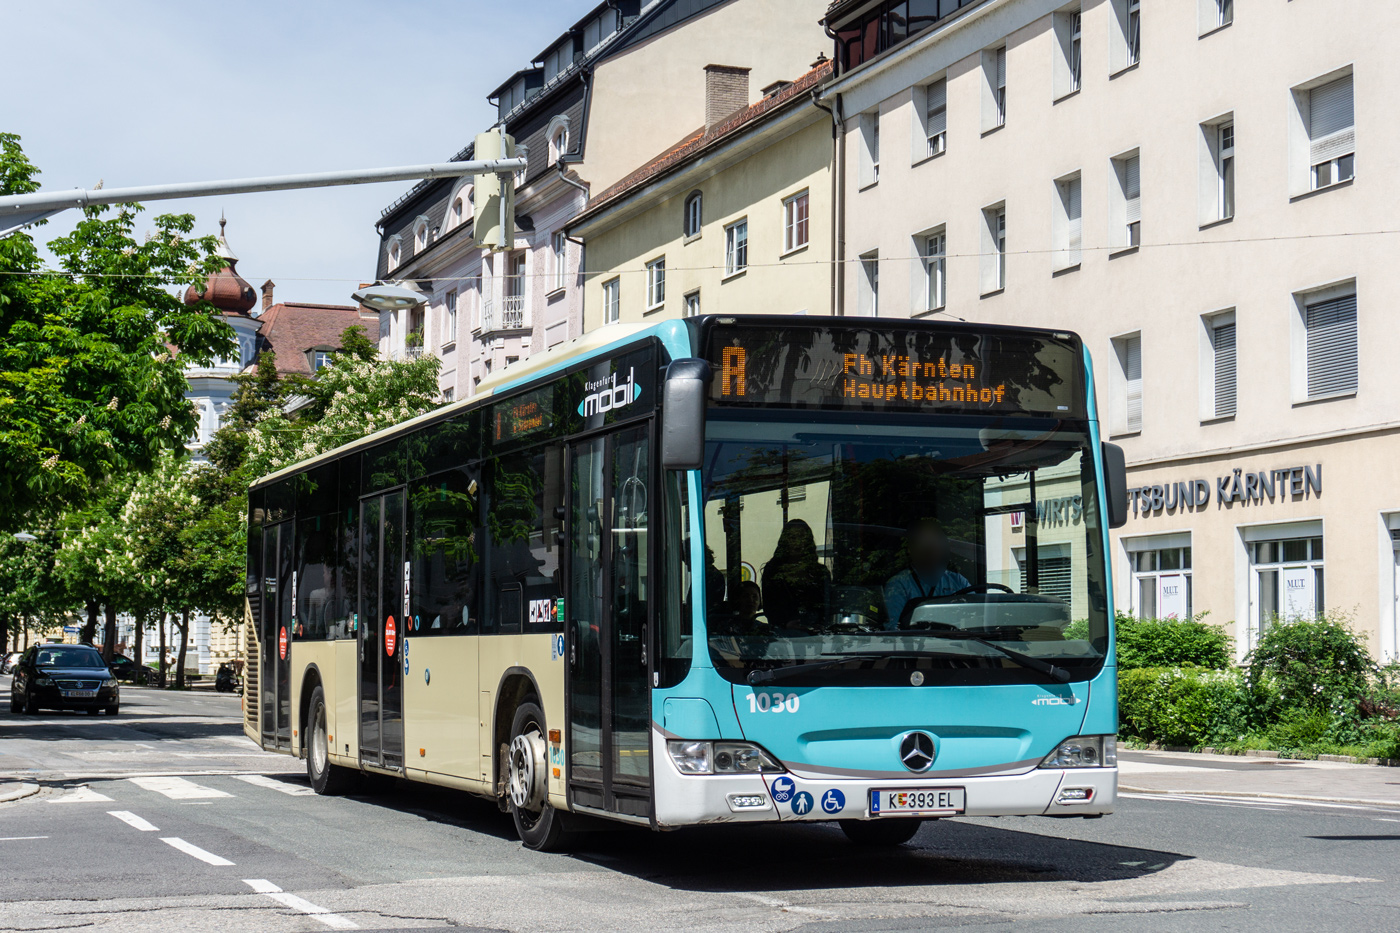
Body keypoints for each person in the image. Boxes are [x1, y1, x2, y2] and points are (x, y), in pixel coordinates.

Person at [884, 519, 971, 628]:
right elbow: (892, 631)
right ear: (911, 550)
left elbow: (976, 617)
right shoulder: (899, 585)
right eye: (926, 547)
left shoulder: (958, 581)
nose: (933, 552)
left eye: (937, 545)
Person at [762, 520, 831, 629]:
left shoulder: (820, 572)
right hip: (782, 637)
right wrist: (785, 625)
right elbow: (769, 607)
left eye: (801, 537)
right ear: (785, 541)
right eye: (793, 538)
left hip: (816, 637)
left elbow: (827, 607)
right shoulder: (773, 571)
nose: (797, 542)